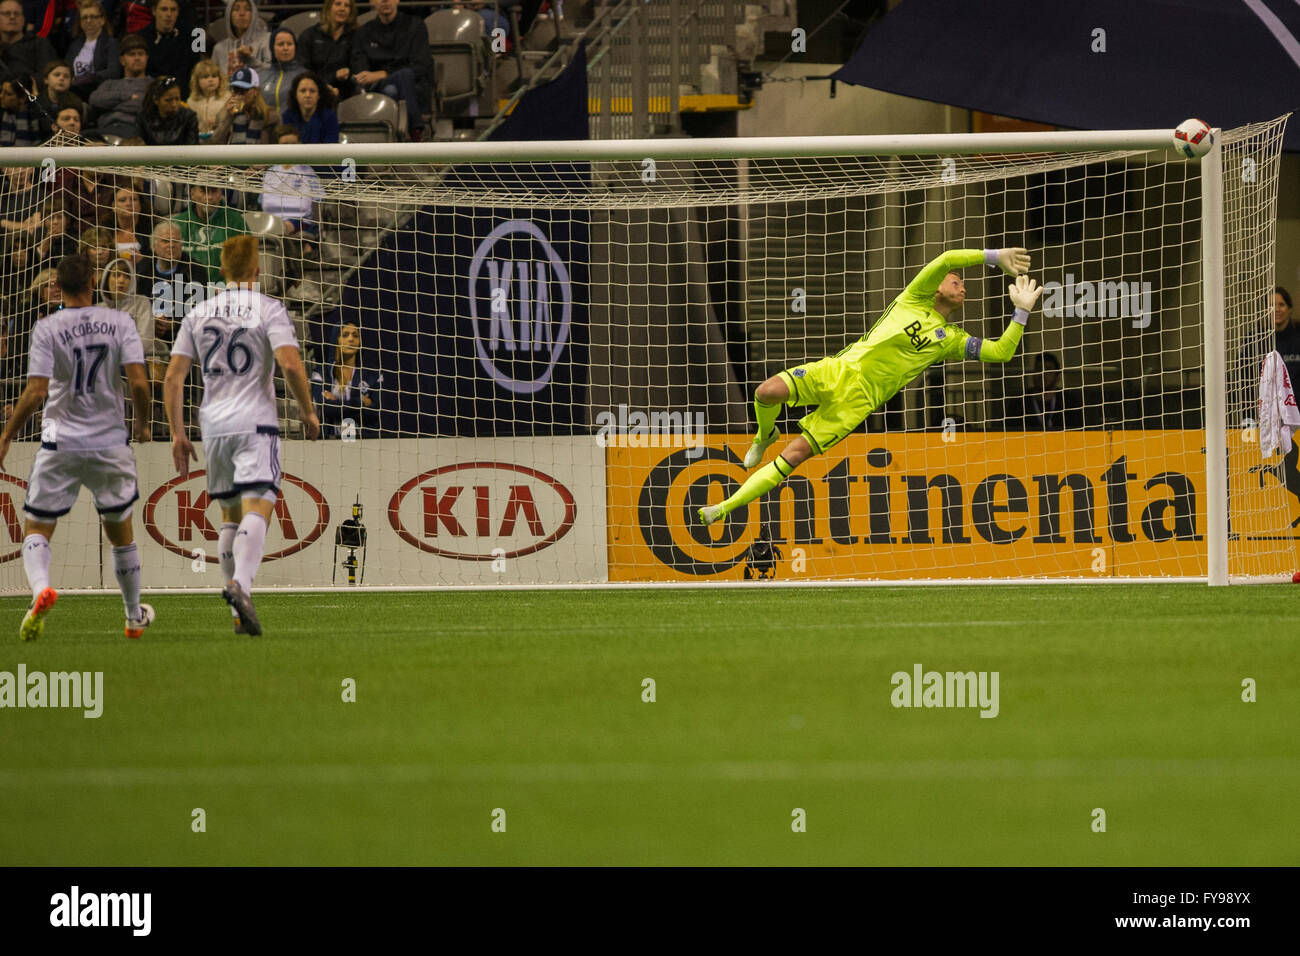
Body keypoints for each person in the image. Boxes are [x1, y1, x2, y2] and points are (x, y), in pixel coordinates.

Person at [699, 247, 1039, 527]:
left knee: (795, 455)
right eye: (957, 282)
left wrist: (1021, 312)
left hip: (857, 403)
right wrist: (993, 257)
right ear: (938, 287)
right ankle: (763, 435)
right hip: (838, 371)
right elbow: (947, 258)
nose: (963, 287)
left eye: (964, 284)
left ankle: (724, 508)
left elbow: (1001, 352)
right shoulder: (915, 298)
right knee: (765, 392)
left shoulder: (950, 339)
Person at [164, 235, 319, 635]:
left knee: (229, 516)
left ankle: (237, 613)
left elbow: (173, 376)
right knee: (260, 504)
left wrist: (178, 434)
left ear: (220, 269)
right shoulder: (269, 308)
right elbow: (290, 364)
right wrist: (307, 409)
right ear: (257, 270)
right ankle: (241, 586)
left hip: (214, 425)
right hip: (255, 421)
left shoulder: (198, 312)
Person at [0, 252, 154, 641]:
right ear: (92, 284)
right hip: (109, 441)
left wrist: (6, 434)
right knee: (121, 532)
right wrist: (142, 423)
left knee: (37, 525)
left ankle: (40, 591)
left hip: (59, 440)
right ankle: (134, 615)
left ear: (59, 287)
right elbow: (138, 382)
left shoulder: (47, 328)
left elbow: (35, 391)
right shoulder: (120, 321)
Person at [349, 0, 432, 141]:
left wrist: (383, 73)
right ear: (372, 2)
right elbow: (360, 65)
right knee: (395, 83)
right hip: (376, 87)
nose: (385, 1)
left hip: (412, 84)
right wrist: (366, 76)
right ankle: (416, 130)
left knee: (393, 88)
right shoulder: (364, 32)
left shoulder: (415, 26)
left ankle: (394, 137)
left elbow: (421, 65)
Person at [310, 321, 381, 438]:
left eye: (355, 335)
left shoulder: (373, 375)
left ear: (359, 342)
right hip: (328, 441)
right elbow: (326, 409)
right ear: (336, 339)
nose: (351, 339)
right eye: (345, 335)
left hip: (364, 441)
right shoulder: (322, 373)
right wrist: (361, 402)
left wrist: (336, 402)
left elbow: (375, 413)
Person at [168, 182, 244, 283]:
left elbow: (246, 265)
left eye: (214, 191)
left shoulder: (235, 222)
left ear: (221, 193)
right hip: (185, 292)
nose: (209, 197)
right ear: (192, 194)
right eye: (203, 191)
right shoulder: (178, 223)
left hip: (225, 291)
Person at [84, 31, 148, 137]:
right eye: (132, 54)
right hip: (105, 131)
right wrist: (128, 97)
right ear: (122, 60)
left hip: (135, 131)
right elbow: (94, 100)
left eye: (140, 54)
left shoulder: (152, 84)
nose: (137, 58)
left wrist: (112, 105)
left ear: (146, 58)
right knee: (82, 138)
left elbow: (143, 106)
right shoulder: (110, 83)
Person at [1001, 352, 1081, 430]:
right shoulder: (1018, 402)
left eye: (1048, 370)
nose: (1043, 374)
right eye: (1039, 369)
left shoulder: (1069, 401)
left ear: (1057, 376)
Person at [297, 0, 355, 99]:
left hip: (347, 92)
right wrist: (326, 85)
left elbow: (358, 66)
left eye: (347, 5)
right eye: (338, 4)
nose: (342, 9)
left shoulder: (355, 35)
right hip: (315, 91)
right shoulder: (309, 35)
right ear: (328, 8)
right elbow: (303, 70)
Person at [133, 0, 196, 90]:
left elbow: (195, 68)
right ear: (154, 11)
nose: (169, 14)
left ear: (178, 12)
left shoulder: (191, 36)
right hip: (151, 91)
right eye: (164, 9)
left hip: (183, 91)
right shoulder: (141, 38)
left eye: (173, 10)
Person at [64, 0, 118, 95]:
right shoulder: (75, 45)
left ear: (102, 20)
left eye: (93, 17)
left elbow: (114, 72)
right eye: (84, 17)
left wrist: (90, 78)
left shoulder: (111, 43)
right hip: (74, 91)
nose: (88, 21)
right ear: (80, 22)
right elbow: (66, 68)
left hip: (98, 91)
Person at [0, 0, 56, 87]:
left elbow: (47, 78)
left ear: (23, 20)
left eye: (17, 14)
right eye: (6, 14)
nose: (12, 17)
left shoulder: (39, 44)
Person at [210, 64, 270, 144]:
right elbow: (214, 142)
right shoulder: (224, 113)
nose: (238, 94)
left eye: (243, 90)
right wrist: (228, 117)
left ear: (256, 91)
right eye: (235, 89)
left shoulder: (269, 116)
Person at [211, 0, 268, 78]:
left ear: (254, 14)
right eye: (236, 9)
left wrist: (250, 61)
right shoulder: (219, 48)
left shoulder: (267, 40)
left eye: (247, 9)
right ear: (229, 15)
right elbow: (213, 78)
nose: (242, 13)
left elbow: (273, 74)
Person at [135, 71, 195, 143]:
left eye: (177, 99)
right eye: (168, 100)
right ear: (156, 100)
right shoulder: (143, 118)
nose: (174, 104)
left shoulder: (189, 117)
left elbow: (193, 147)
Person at [281, 70, 336, 143]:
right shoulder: (287, 116)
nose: (307, 95)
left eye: (312, 91)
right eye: (303, 91)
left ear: (319, 95)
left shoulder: (329, 117)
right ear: (295, 95)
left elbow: (331, 147)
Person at [259, 25, 301, 115]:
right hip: (265, 126)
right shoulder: (260, 76)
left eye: (289, 44)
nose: (285, 48)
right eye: (280, 44)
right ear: (272, 48)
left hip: (293, 128)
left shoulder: (305, 76)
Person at [35, 59, 84, 134]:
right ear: (46, 79)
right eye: (57, 75)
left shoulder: (76, 102)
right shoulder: (36, 102)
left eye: (66, 76)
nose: (61, 78)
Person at [0, 70, 44, 145]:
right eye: (1, 91)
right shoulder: (2, 113)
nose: (1, 96)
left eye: (8, 94)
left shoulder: (36, 116)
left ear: (22, 97)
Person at [186, 55, 224, 138]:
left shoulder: (226, 99)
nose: (211, 80)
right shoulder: (191, 101)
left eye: (214, 76)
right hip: (198, 143)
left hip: (221, 143)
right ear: (197, 80)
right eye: (205, 77)